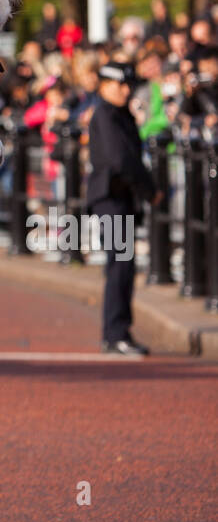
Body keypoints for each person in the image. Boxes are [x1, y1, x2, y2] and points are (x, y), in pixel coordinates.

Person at [86, 61, 158, 356]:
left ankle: (118, 332)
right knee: (120, 266)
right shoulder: (106, 113)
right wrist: (150, 189)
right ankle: (116, 334)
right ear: (105, 84)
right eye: (121, 85)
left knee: (122, 266)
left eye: (129, 85)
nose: (127, 90)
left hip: (119, 199)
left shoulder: (118, 113)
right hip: (110, 199)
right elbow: (121, 160)